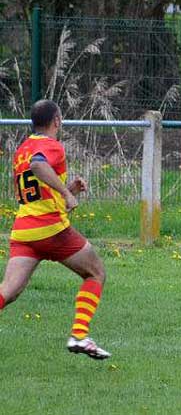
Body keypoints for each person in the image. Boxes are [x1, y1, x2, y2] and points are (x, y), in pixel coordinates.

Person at [0, 99, 110, 359]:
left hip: (25, 230)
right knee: (96, 273)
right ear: (57, 121)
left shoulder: (22, 149)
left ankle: (80, 337)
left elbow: (36, 193)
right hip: (50, 229)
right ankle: (79, 336)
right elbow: (39, 165)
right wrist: (67, 194)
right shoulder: (52, 146)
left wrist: (67, 189)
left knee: (8, 291)